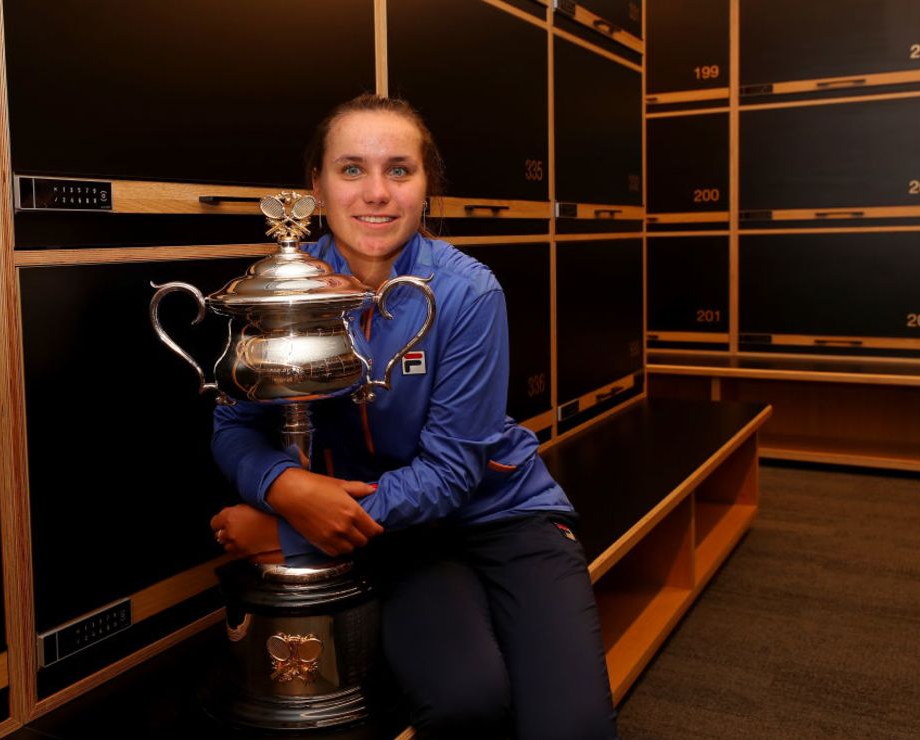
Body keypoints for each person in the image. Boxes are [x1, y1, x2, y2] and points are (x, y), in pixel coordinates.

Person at [209, 94, 618, 739]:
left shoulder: (468, 290)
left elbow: (454, 472)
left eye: (399, 170)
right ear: (315, 186)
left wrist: (290, 530)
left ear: (428, 186)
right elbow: (235, 429)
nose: (377, 193)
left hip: (501, 514)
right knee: (466, 704)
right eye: (351, 169)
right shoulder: (279, 286)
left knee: (573, 729)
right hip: (396, 536)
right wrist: (283, 486)